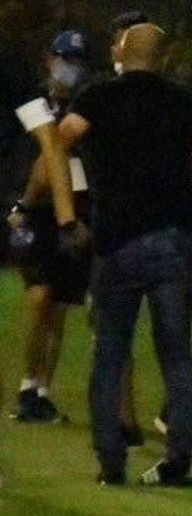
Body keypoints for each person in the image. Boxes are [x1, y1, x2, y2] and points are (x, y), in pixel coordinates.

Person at [55, 22, 192, 486]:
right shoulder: (184, 103)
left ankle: (110, 463)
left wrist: (66, 216)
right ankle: (176, 462)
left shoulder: (96, 98)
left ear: (120, 52)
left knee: (109, 353)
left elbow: (57, 146)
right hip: (174, 241)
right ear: (165, 58)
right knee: (176, 354)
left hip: (115, 241)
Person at [9, 30, 95, 423]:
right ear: (50, 59)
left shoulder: (87, 104)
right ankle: (28, 384)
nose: (71, 69)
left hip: (74, 209)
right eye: (65, 59)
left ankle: (41, 391)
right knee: (41, 297)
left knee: (59, 304)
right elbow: (45, 158)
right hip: (36, 212)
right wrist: (23, 204)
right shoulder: (33, 101)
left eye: (78, 61)